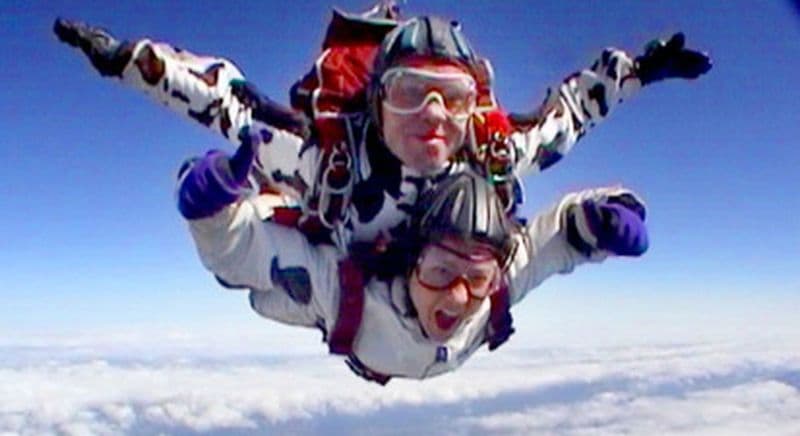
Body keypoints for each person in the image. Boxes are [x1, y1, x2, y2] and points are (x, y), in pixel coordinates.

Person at [53, 3, 710, 249]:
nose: (432, 115)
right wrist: (132, 63)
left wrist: (636, 71)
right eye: (409, 93)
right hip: (347, 272)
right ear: (375, 103)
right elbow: (229, 102)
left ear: (473, 107)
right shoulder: (330, 162)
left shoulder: (494, 153)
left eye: (450, 98)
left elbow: (568, 115)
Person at [176, 127, 649, 383]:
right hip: (338, 321)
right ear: (411, 263)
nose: (462, 297)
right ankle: (271, 184)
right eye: (442, 271)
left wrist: (606, 216)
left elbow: (557, 238)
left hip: (373, 346)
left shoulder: (496, 288)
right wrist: (213, 215)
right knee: (256, 289)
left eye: (477, 279)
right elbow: (242, 257)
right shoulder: (342, 292)